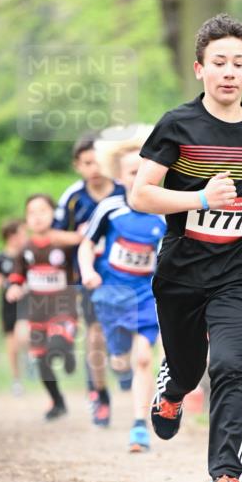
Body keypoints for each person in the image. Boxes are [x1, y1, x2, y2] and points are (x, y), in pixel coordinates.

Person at [130, 13, 242, 482]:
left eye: (238, 63)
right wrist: (199, 195)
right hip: (180, 273)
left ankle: (227, 479)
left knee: (229, 366)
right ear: (199, 69)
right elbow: (140, 194)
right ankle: (172, 388)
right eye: (218, 62)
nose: (228, 71)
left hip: (236, 274)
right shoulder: (177, 125)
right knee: (188, 366)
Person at [78, 133, 166, 453]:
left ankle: (140, 426)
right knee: (118, 358)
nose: (140, 177)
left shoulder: (163, 213)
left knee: (143, 357)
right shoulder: (110, 208)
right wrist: (88, 272)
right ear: (120, 177)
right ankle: (115, 376)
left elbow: (166, 256)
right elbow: (87, 245)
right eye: (133, 172)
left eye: (145, 170)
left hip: (146, 294)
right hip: (111, 294)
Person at [53, 134, 126, 428]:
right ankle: (100, 394)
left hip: (126, 278)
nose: (94, 168)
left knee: (123, 332)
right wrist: (87, 237)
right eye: (87, 163)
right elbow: (55, 233)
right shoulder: (73, 197)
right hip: (88, 278)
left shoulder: (124, 192)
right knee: (95, 333)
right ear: (77, 166)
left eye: (98, 161)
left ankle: (129, 374)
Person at [6, 195, 78, 420]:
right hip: (37, 310)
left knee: (57, 343)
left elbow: (84, 242)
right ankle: (57, 402)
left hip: (63, 306)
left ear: (53, 214)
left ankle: (67, 353)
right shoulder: (25, 248)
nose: (37, 217)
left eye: (42, 211)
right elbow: (17, 274)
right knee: (41, 360)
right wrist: (14, 287)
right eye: (32, 213)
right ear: (26, 220)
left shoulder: (63, 242)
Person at [0, 219, 30, 394]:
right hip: (8, 306)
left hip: (28, 303)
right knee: (11, 345)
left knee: (24, 336)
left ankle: (31, 358)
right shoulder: (0, 258)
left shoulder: (28, 256)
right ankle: (16, 380)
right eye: (22, 233)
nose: (25, 237)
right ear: (12, 237)